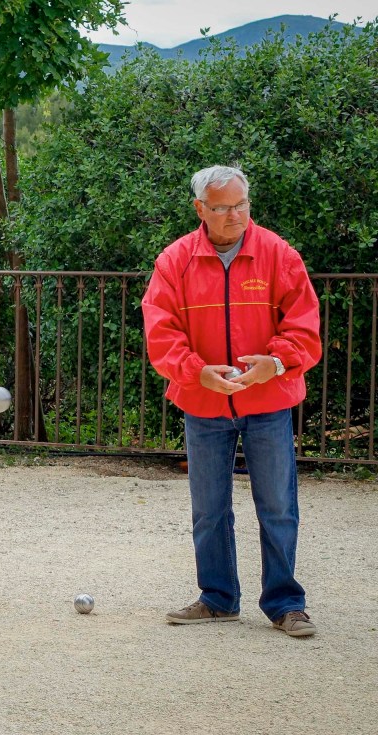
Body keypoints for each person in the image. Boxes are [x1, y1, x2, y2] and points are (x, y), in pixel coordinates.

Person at [142, 165, 322, 637]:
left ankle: (286, 603)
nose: (235, 215)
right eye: (222, 207)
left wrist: (276, 364)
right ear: (200, 208)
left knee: (278, 505)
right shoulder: (174, 260)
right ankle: (218, 599)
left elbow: (304, 326)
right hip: (203, 403)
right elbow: (161, 333)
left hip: (269, 401)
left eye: (241, 204)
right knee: (208, 507)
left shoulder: (278, 254)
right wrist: (196, 372)